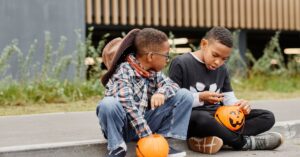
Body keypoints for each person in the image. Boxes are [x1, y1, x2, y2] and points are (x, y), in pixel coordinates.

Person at [169, 26, 283, 154]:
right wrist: (200, 97)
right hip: (194, 119)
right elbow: (173, 101)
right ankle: (244, 143)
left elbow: (228, 99)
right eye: (215, 55)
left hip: (219, 116)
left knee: (267, 116)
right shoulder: (181, 63)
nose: (218, 62)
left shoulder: (222, 69)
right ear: (204, 44)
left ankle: (217, 139)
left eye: (224, 59)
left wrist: (240, 105)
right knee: (203, 118)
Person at [96, 28, 193, 157]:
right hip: (123, 127)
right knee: (107, 104)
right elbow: (127, 105)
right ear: (151, 56)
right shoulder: (124, 71)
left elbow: (172, 85)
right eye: (166, 55)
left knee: (184, 95)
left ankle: (162, 144)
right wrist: (147, 136)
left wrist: (161, 93)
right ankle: (117, 147)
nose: (167, 60)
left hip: (144, 123)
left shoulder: (153, 73)